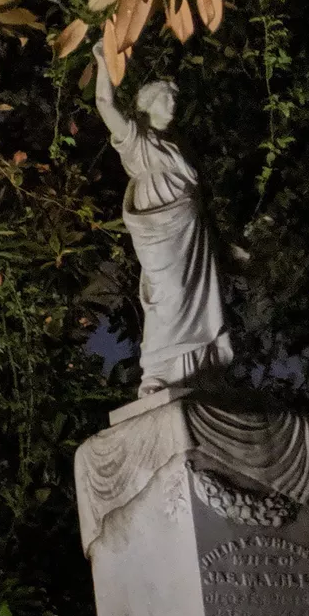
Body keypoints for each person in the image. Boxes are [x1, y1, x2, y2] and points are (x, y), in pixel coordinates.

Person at [94, 43, 234, 396]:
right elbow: (105, 105)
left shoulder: (179, 147)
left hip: (194, 234)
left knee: (199, 298)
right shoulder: (139, 142)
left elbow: (200, 198)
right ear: (149, 104)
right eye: (165, 99)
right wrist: (103, 62)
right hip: (160, 233)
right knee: (167, 295)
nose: (173, 105)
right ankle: (158, 372)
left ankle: (202, 367)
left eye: (174, 99)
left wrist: (223, 244)